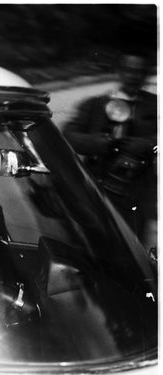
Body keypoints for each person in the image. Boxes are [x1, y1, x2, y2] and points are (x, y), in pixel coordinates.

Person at [63, 54, 157, 248]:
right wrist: (96, 143)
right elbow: (68, 135)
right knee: (96, 243)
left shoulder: (156, 105)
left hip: (136, 192)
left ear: (146, 75)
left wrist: (148, 145)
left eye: (139, 72)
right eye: (129, 71)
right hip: (99, 187)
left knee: (132, 247)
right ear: (120, 73)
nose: (133, 77)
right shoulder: (95, 104)